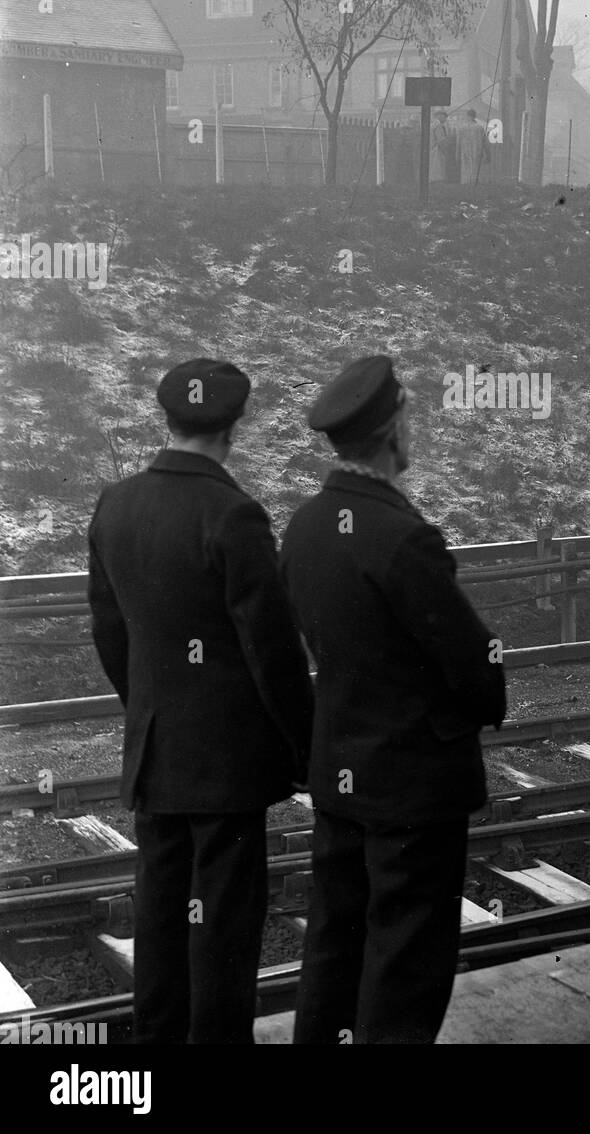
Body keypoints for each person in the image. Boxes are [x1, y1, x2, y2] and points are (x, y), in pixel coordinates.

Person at [87, 358, 313, 1045]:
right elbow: (272, 652)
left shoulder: (115, 503)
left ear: (169, 418)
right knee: (221, 924)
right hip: (228, 764)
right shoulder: (233, 514)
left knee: (160, 912)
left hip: (157, 751)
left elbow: (108, 628)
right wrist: (305, 748)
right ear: (233, 427)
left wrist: (149, 705)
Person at [281, 355, 506, 1044]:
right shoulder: (404, 537)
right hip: (413, 784)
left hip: (342, 768)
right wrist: (482, 700)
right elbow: (472, 663)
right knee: (405, 958)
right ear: (390, 432)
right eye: (408, 418)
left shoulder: (306, 526)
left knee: (336, 942)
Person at [457, 108, 489, 185]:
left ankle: (466, 185)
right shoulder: (479, 128)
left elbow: (458, 143)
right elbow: (485, 143)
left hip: (465, 153)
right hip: (477, 152)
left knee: (466, 172)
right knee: (476, 172)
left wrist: (457, 154)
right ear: (475, 116)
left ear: (467, 116)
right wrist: (488, 155)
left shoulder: (461, 128)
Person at [429, 111, 452, 183]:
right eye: (445, 116)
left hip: (431, 150)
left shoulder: (432, 125)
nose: (446, 118)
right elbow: (441, 141)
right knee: (438, 173)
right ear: (440, 116)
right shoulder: (438, 126)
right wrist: (445, 151)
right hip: (437, 152)